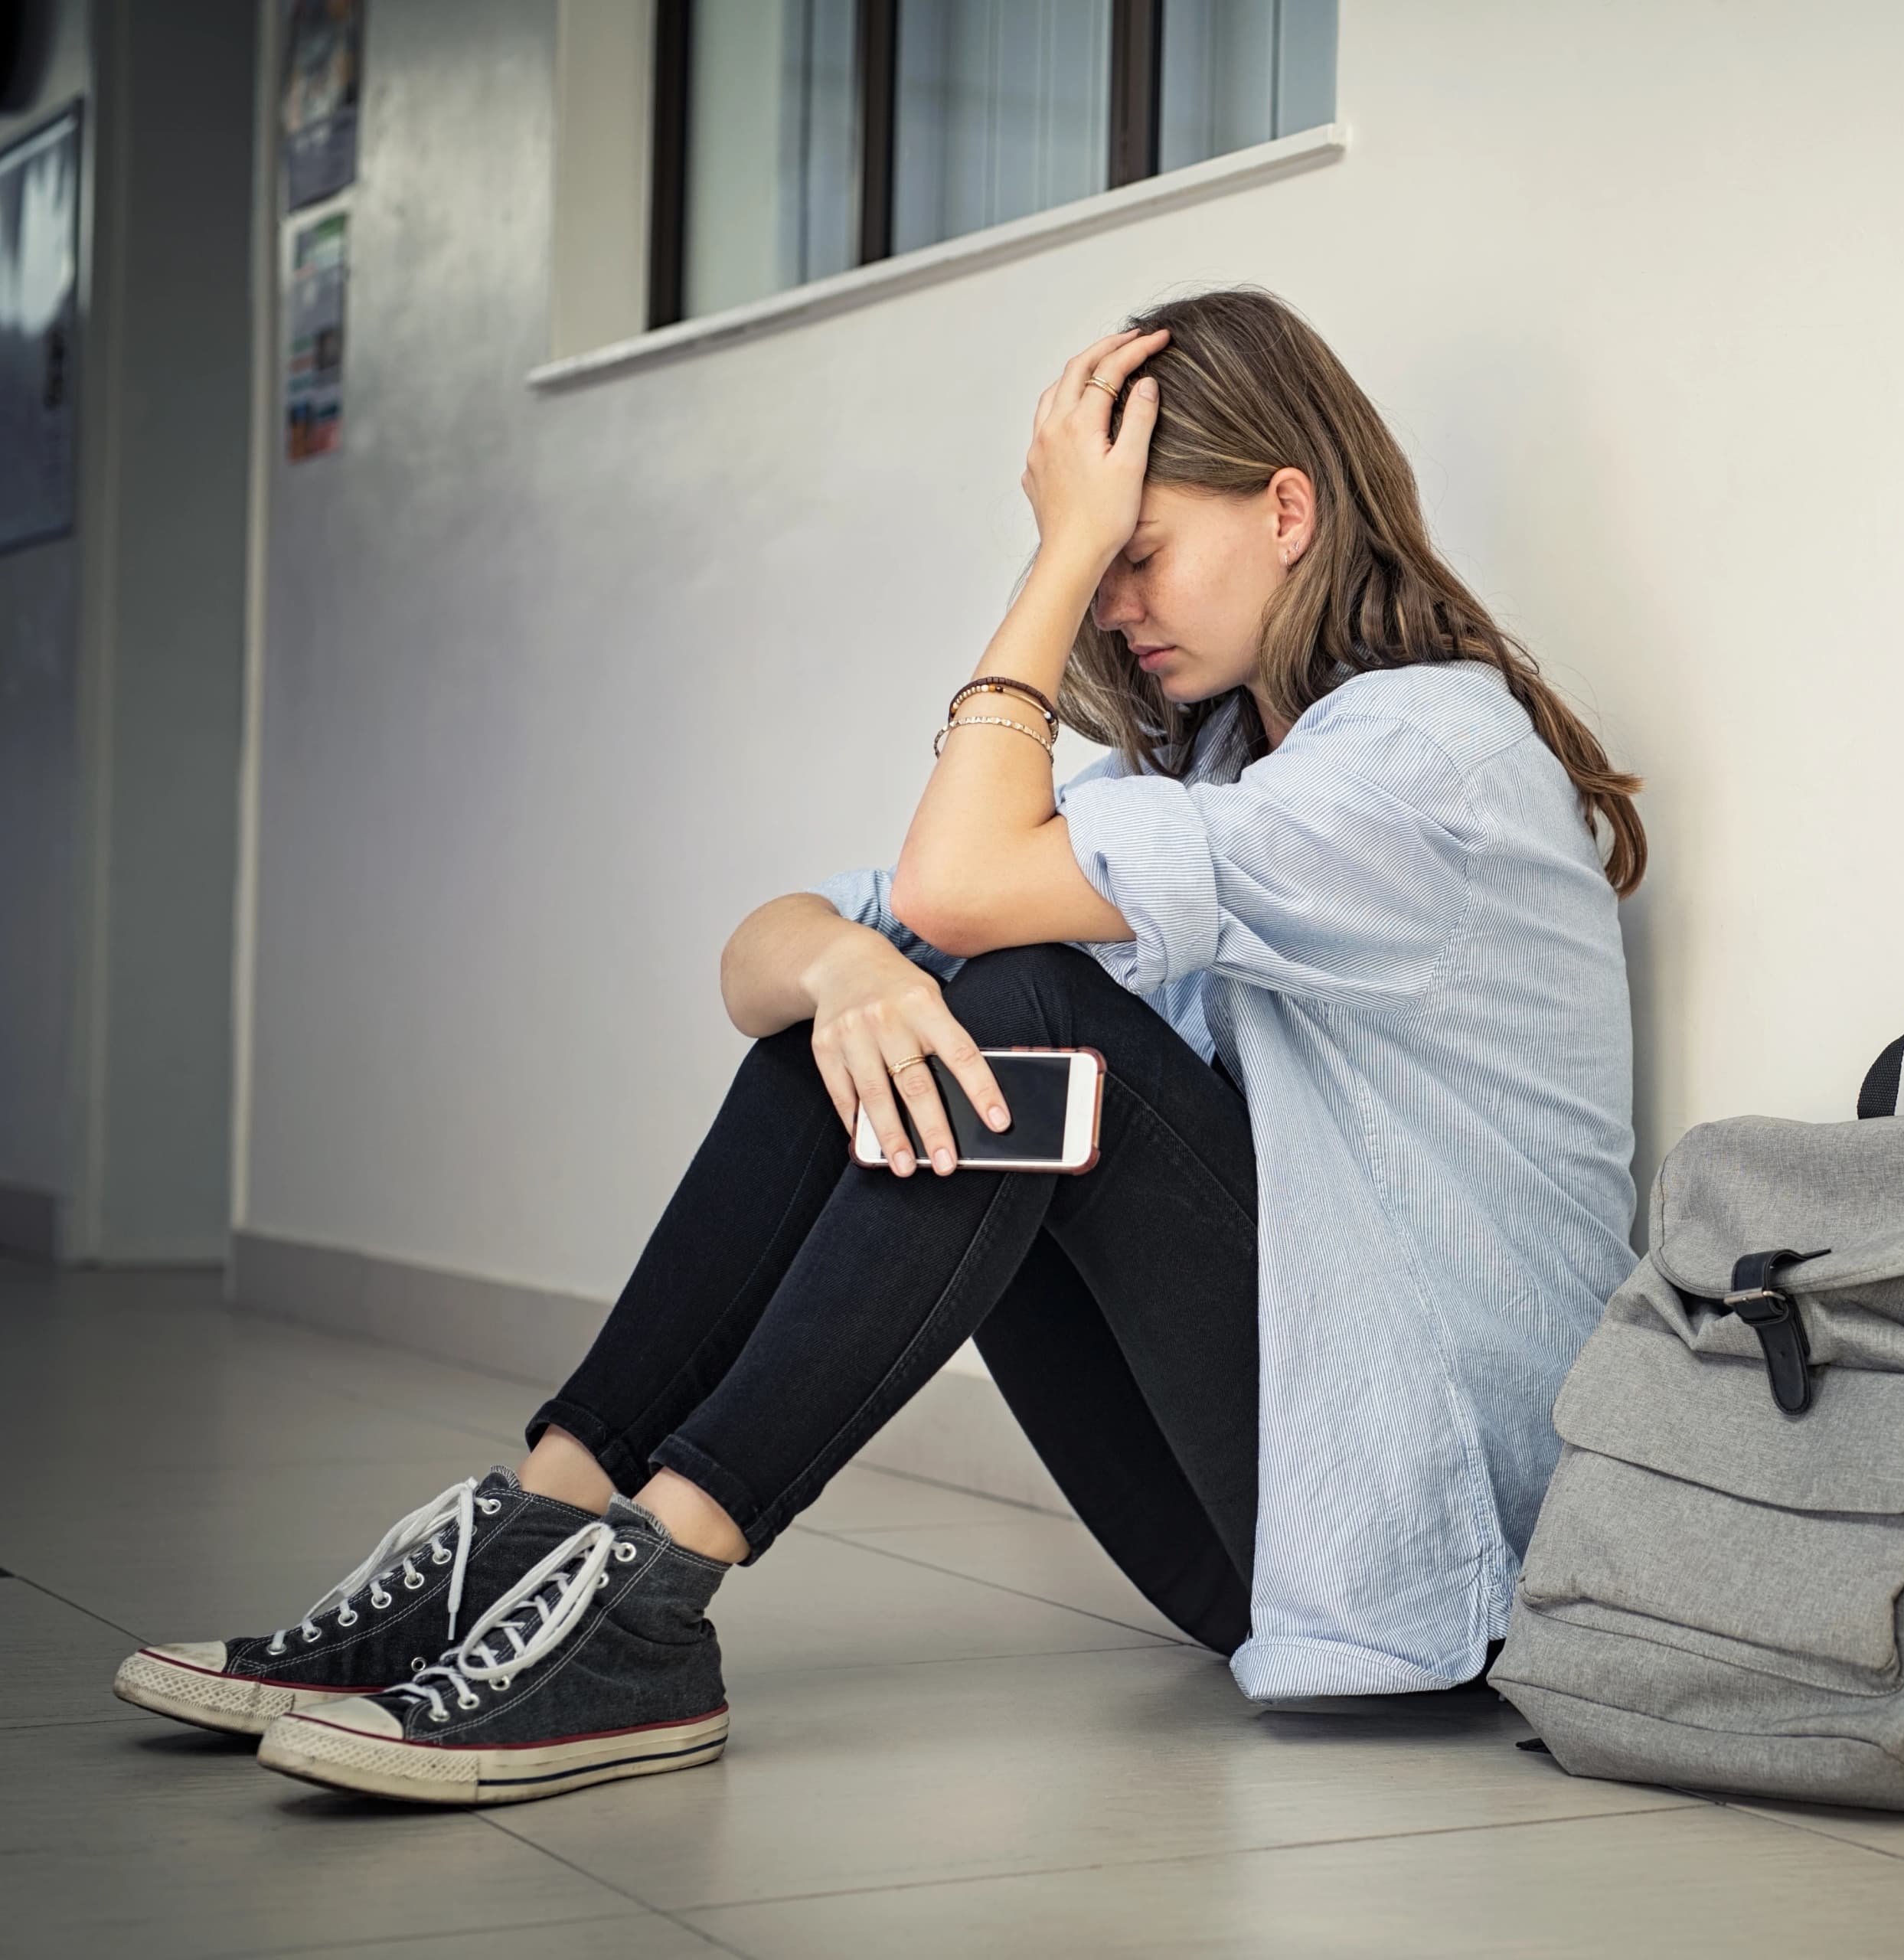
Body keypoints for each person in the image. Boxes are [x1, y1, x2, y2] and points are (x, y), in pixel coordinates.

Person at [109, 287, 1647, 1806]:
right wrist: (846, 968)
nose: (1114, 603)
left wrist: (1052, 555)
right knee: (858, 1019)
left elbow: (955, 888)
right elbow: (765, 955)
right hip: (1274, 1530)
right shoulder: (1230, 764)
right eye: (1096, 568)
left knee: (1020, 1008)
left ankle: (650, 1602)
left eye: (1136, 555)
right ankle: (537, 1528)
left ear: (1289, 509)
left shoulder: (1426, 758)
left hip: (1436, 1545)